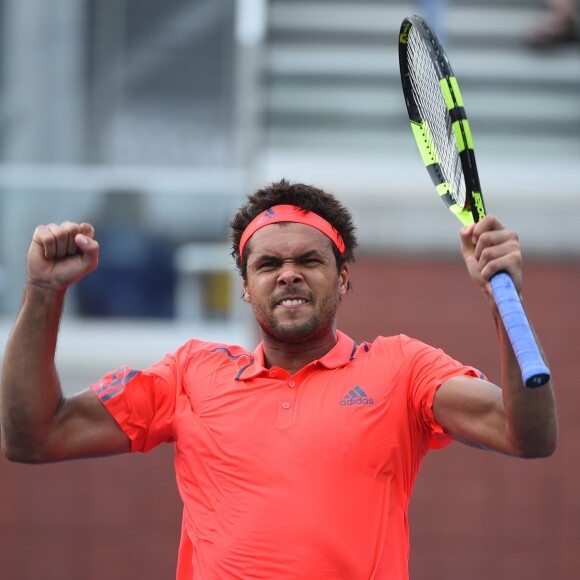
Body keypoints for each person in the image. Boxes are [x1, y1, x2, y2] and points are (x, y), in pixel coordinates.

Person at [0, 179, 557, 579]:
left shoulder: (402, 367)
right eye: (267, 265)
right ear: (245, 287)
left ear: (343, 280)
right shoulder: (192, 373)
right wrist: (44, 292)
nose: (288, 272)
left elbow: (525, 433)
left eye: (309, 261)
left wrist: (502, 304)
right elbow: (33, 436)